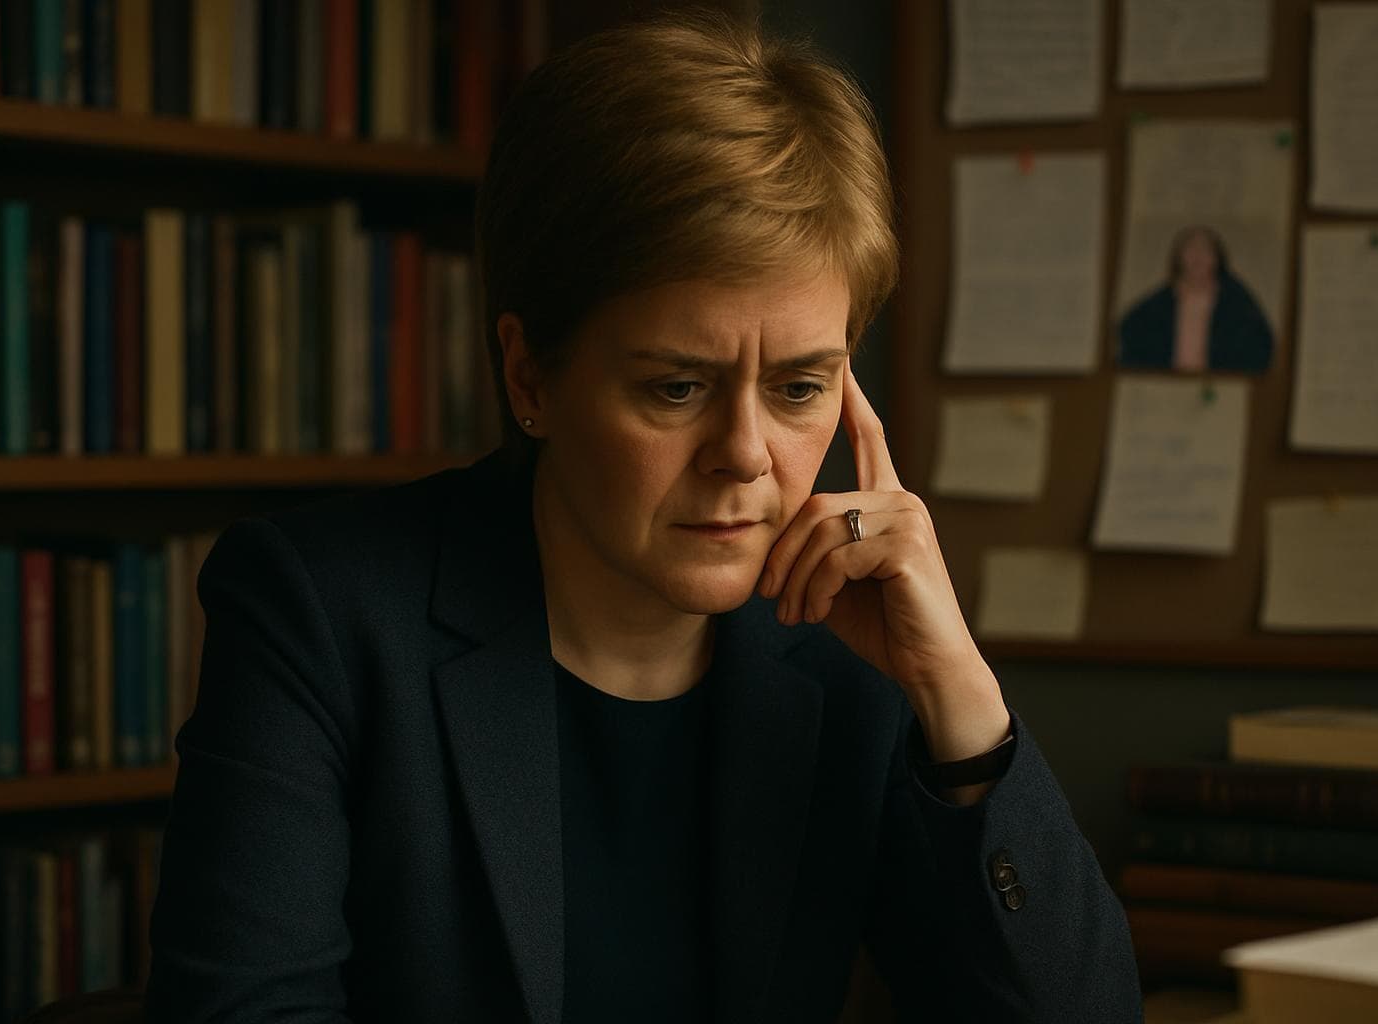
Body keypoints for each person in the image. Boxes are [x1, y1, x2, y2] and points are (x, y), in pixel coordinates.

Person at [144, 14, 1142, 1023]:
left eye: (799, 388)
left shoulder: (856, 655)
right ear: (530, 375)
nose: (745, 454)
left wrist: (960, 699)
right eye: (676, 388)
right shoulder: (316, 614)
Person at [1117, 225, 1274, 373]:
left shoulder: (1237, 304)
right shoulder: (1157, 305)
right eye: (1190, 249)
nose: (1198, 256)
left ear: (1217, 258)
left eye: (1205, 249)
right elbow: (1131, 336)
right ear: (1178, 257)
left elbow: (1259, 345)